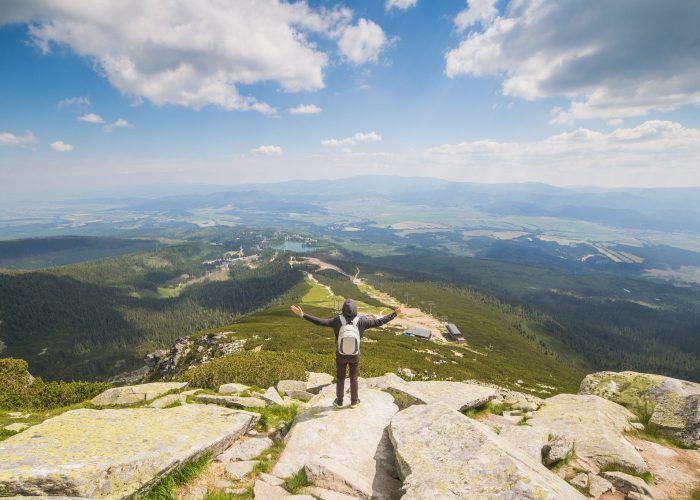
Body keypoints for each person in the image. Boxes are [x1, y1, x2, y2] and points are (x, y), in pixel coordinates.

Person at [290, 298, 402, 408]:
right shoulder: (362, 321)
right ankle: (354, 401)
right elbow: (380, 321)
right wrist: (395, 313)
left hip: (341, 355)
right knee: (354, 378)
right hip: (355, 355)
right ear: (355, 310)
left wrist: (303, 314)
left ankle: (339, 401)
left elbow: (319, 322)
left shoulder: (336, 321)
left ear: (343, 309)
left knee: (340, 378)